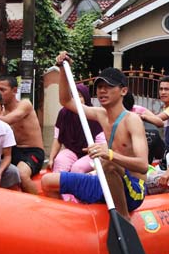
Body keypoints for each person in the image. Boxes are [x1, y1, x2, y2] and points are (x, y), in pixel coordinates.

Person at [41, 52, 149, 218]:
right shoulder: (100, 114)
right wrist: (63, 69)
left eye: (109, 87)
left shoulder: (132, 120)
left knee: (109, 164)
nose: (102, 91)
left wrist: (109, 154)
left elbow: (142, 165)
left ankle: (123, 219)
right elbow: (66, 101)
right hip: (106, 181)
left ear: (123, 91)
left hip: (133, 190)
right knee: (47, 182)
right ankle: (70, 225)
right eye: (99, 87)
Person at [47, 83, 105, 174]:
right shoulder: (64, 113)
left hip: (92, 153)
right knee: (59, 162)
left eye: (80, 96)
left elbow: (102, 144)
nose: (76, 99)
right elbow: (57, 138)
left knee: (77, 169)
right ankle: (59, 187)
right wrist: (51, 158)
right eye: (73, 96)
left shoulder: (94, 114)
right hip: (72, 150)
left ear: (86, 98)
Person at [138, 75, 169, 156]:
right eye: (161, 89)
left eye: (166, 89)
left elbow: (157, 119)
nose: (163, 92)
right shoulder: (165, 107)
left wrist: (142, 115)